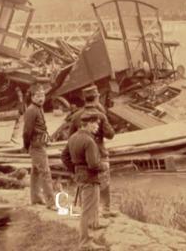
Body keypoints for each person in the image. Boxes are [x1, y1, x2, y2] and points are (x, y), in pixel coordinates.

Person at [62, 111, 106, 251]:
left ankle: (94, 224)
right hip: (90, 177)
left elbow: (64, 156)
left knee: (91, 204)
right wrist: (104, 166)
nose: (97, 127)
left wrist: (74, 169)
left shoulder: (73, 137)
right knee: (87, 210)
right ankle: (85, 243)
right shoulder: (89, 141)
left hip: (80, 176)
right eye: (95, 124)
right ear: (88, 124)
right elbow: (93, 164)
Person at [69, 85, 116, 218]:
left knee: (86, 184)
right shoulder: (100, 115)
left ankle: (87, 211)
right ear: (96, 98)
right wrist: (104, 119)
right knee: (104, 181)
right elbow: (110, 134)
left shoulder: (76, 115)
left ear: (84, 99)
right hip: (99, 153)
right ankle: (105, 210)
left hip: (82, 155)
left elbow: (71, 137)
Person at [23, 89, 56, 210]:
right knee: (45, 173)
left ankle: (35, 197)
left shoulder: (38, 108)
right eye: (38, 95)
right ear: (32, 97)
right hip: (36, 146)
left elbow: (41, 127)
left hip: (39, 144)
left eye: (43, 95)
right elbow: (27, 131)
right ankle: (51, 202)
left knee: (36, 172)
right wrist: (26, 146)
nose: (41, 98)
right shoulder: (31, 110)